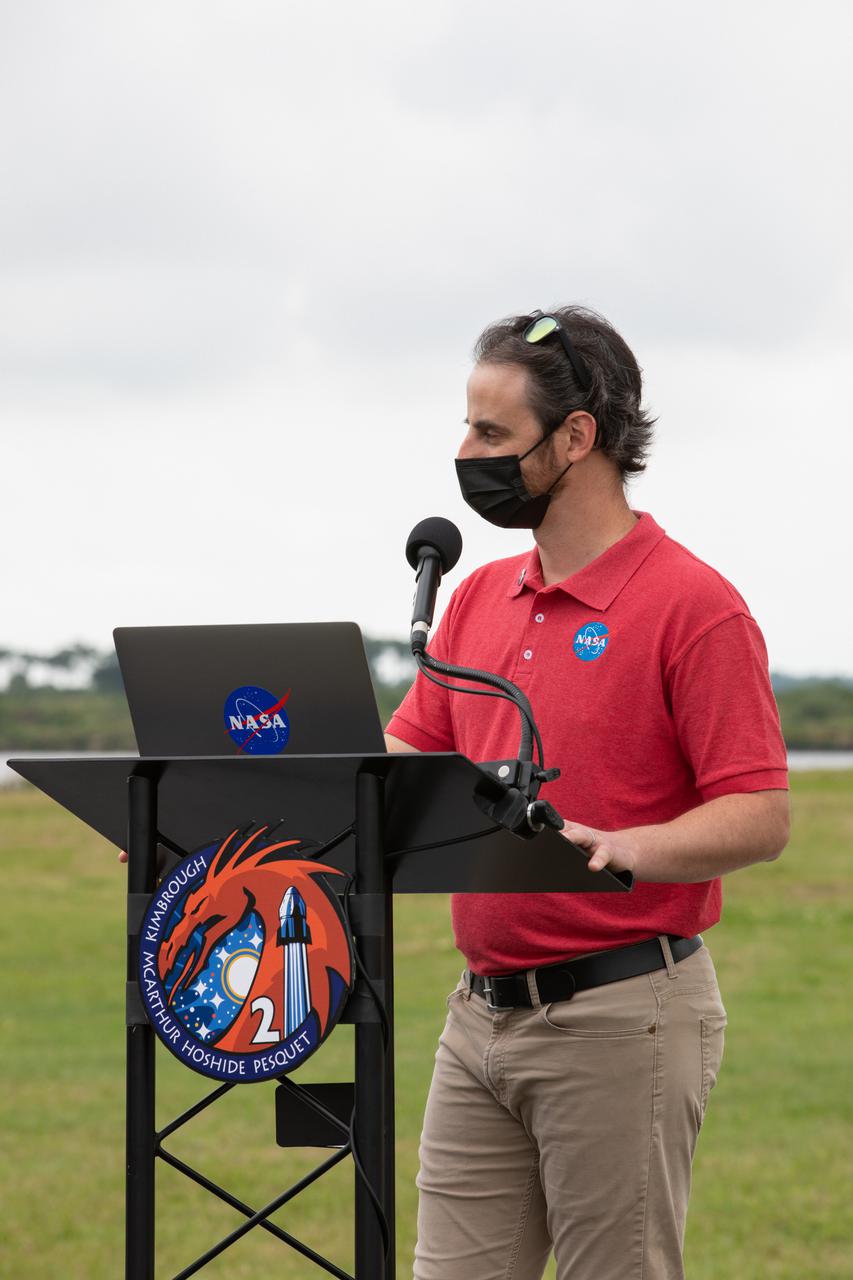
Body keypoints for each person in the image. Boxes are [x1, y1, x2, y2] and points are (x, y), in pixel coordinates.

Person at [384, 307, 790, 1280]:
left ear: (577, 435)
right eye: (466, 427)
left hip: (622, 1014)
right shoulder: (476, 597)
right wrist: (224, 818)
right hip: (478, 1018)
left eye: (491, 434)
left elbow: (761, 811)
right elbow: (397, 765)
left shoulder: (694, 606)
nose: (464, 454)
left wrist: (628, 843)